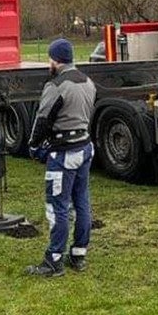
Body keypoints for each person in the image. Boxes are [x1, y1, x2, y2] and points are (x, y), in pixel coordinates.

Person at [26, 38, 97, 277]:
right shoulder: (88, 82)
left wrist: (34, 145)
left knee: (58, 207)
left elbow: (43, 119)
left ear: (55, 60)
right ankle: (79, 253)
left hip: (64, 153)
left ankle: (54, 259)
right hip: (85, 147)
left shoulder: (56, 86)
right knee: (82, 202)